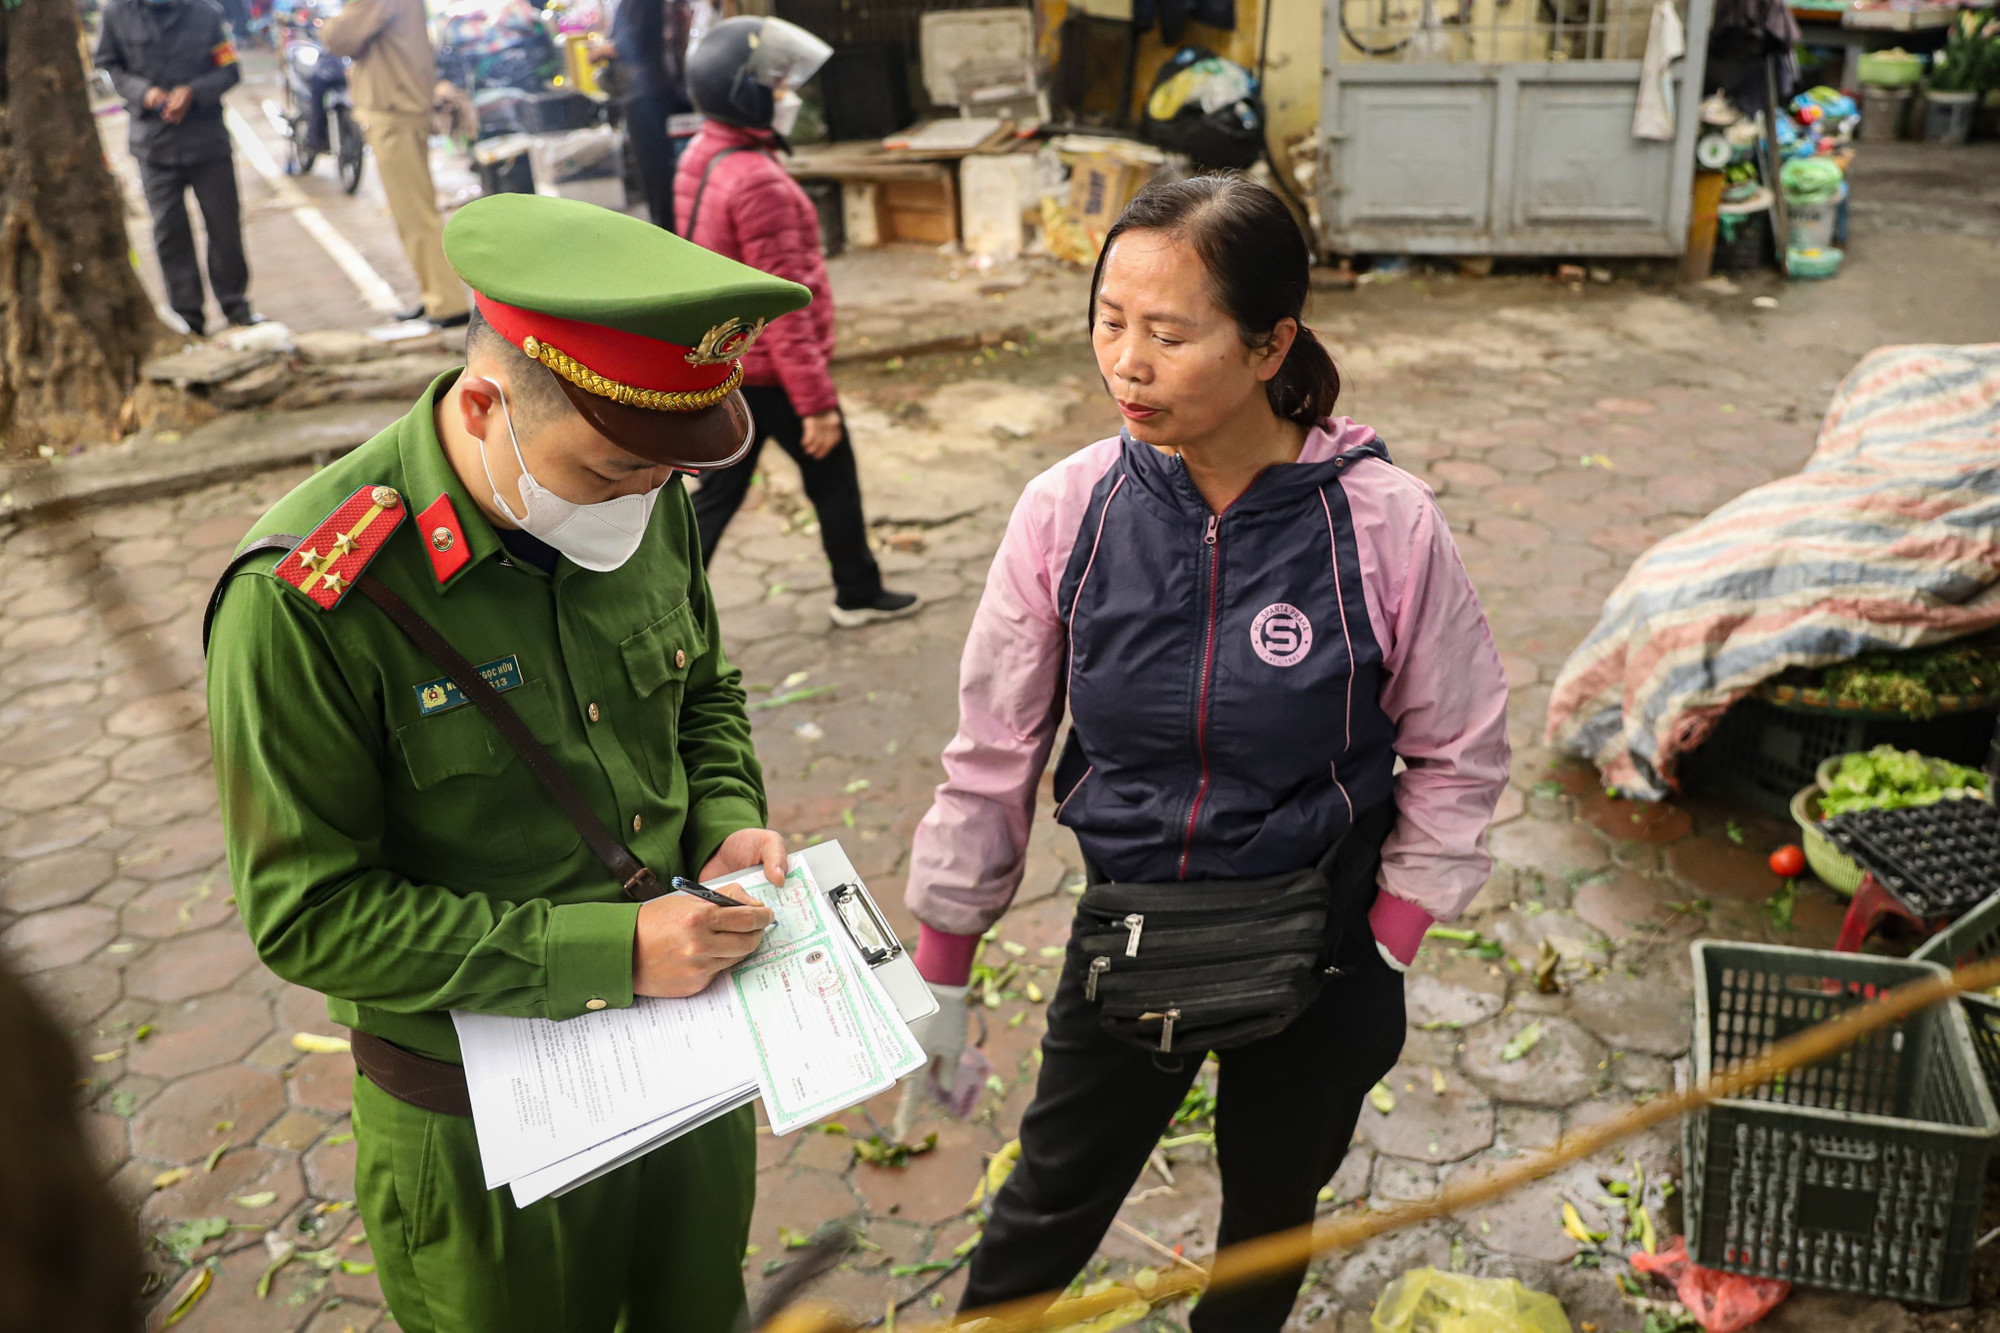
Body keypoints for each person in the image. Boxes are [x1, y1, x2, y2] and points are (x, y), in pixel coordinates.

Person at [901, 175, 1511, 1330]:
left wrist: (1390, 934)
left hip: (1323, 941)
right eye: (1108, 322)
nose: (1124, 364)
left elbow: (1458, 745)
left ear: (1270, 343)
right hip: (1134, 932)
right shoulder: (1066, 512)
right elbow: (992, 750)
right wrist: (942, 959)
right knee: (1044, 1208)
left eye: (1168, 335)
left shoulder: (1383, 523)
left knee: (1269, 1220)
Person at [205, 193, 801, 1333]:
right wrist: (611, 951)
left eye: (664, 478)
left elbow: (704, 695)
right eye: (612, 471)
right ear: (484, 405)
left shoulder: (645, 490)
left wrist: (724, 817)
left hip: (688, 1058)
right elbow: (309, 916)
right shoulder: (308, 602)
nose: (644, 501)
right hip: (483, 1124)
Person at [677, 16, 919, 629]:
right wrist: (817, 404)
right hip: (770, 371)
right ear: (743, 93)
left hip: (728, 362)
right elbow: (783, 311)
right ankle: (857, 593)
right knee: (832, 476)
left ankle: (658, 607)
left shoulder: (704, 152)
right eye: (775, 84)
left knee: (719, 495)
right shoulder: (759, 181)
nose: (787, 95)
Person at [96, 0, 259, 336]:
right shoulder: (117, 14)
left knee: (224, 227)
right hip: (153, 146)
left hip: (208, 142)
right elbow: (108, 68)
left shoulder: (206, 13)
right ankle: (188, 317)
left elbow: (229, 69)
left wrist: (193, 92)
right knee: (170, 233)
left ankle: (235, 305)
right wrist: (145, 94)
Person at [320, 0, 470, 327]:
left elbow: (340, 37)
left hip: (395, 109)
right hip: (403, 104)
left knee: (414, 211)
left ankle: (446, 302)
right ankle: (435, 294)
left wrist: (328, 24)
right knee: (414, 209)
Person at [607, 0, 710, 230]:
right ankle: (667, 226)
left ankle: (666, 229)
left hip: (646, 93)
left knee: (655, 171)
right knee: (658, 169)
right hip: (654, 90)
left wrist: (606, 49)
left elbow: (635, 41)